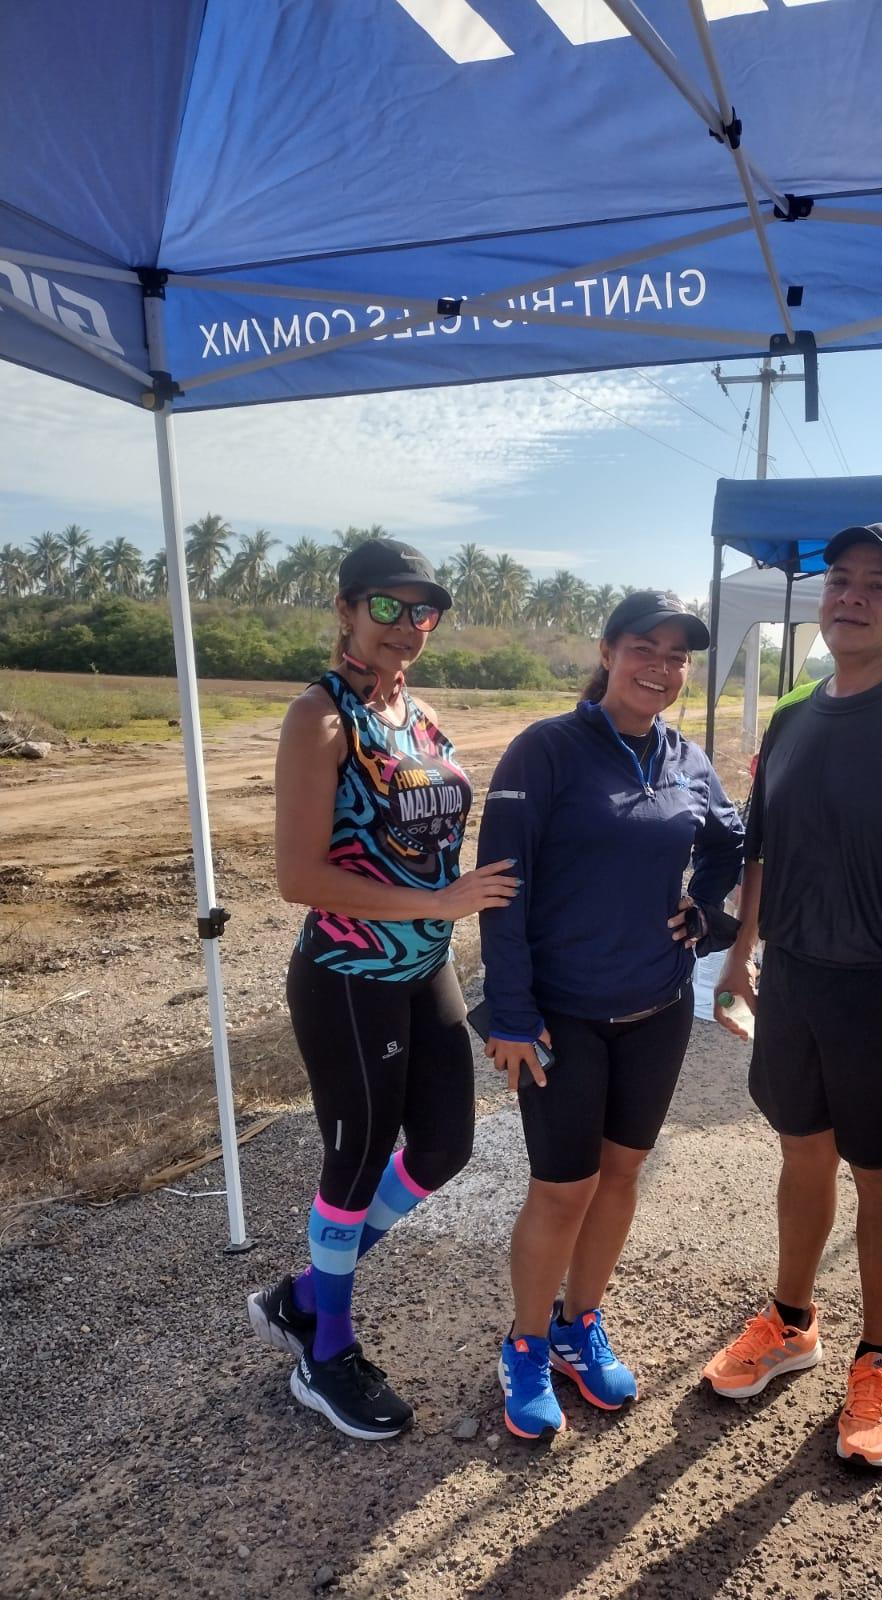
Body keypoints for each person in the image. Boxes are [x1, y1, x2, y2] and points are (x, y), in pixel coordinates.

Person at [702, 523, 882, 1469]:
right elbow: (764, 850)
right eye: (840, 580)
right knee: (802, 1155)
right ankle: (792, 1323)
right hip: (794, 978)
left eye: (880, 584)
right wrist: (740, 954)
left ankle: (879, 1359)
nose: (852, 596)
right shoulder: (793, 713)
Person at [247, 538, 520, 1440]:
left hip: (423, 966)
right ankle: (326, 1355)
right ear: (349, 610)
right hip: (348, 975)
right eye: (389, 609)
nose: (408, 627)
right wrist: (436, 900)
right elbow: (298, 875)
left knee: (443, 1148)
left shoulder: (422, 716)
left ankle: (301, 1296)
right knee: (357, 1162)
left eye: (424, 612)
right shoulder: (320, 718)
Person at [478, 591, 744, 1440]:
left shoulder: (687, 758)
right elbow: (501, 888)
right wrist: (511, 1013)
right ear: (608, 650)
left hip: (658, 1006)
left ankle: (577, 1325)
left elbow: (733, 843)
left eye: (677, 657)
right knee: (563, 1189)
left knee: (621, 1176)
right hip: (561, 1015)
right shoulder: (546, 750)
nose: (661, 669)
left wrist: (708, 913)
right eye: (645, 648)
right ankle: (524, 1344)